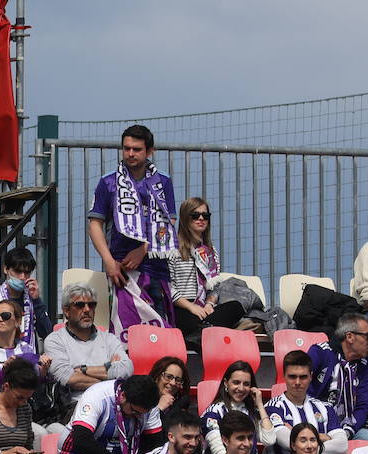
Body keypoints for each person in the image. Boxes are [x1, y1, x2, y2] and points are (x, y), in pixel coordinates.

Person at [86, 124, 178, 340]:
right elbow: (95, 224)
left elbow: (170, 220)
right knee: (125, 331)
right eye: (126, 148)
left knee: (159, 332)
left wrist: (143, 249)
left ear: (150, 151)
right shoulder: (108, 182)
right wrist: (108, 261)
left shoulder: (162, 182)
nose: (130, 154)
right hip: (122, 268)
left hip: (156, 268)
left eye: (136, 149)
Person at [307, 315, 368, 440]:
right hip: (315, 424)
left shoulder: (364, 366)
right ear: (350, 337)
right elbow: (301, 387)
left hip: (349, 429)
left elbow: (362, 406)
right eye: (367, 336)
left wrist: (347, 432)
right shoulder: (321, 353)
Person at [169, 197, 245, 343]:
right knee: (183, 318)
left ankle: (201, 333)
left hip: (204, 310)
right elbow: (167, 287)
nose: (201, 219)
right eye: (195, 215)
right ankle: (206, 333)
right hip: (182, 307)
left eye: (206, 215)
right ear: (185, 218)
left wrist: (209, 304)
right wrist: (191, 307)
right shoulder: (172, 248)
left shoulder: (211, 251)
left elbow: (215, 287)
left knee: (236, 306)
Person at [43, 282, 134, 402]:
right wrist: (110, 376)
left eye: (91, 305)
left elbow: (127, 369)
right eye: (80, 305)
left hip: (111, 404)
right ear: (66, 311)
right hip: (75, 405)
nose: (87, 310)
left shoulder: (109, 339)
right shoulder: (54, 340)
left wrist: (83, 370)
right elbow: (68, 378)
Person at [266, 349, 348, 454]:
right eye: (292, 377)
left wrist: (298, 436)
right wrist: (321, 437)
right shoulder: (273, 407)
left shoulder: (325, 407)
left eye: (303, 377)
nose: (298, 382)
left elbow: (342, 445)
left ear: (311, 376)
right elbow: (286, 441)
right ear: (284, 376)